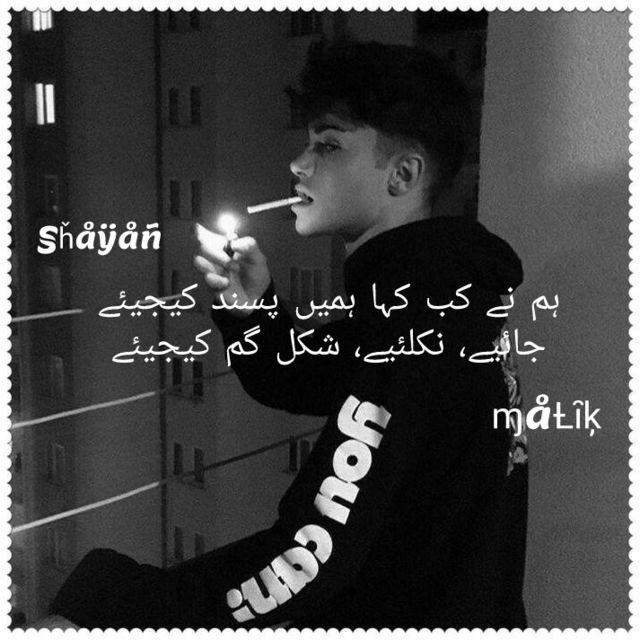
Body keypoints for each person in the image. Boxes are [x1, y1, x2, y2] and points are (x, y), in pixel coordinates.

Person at [42, 40, 528, 630]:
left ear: (402, 174)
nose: (299, 164)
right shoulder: (446, 298)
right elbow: (303, 374)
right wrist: (251, 308)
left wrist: (106, 604)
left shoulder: (414, 324)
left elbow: (304, 561)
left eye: (328, 145)